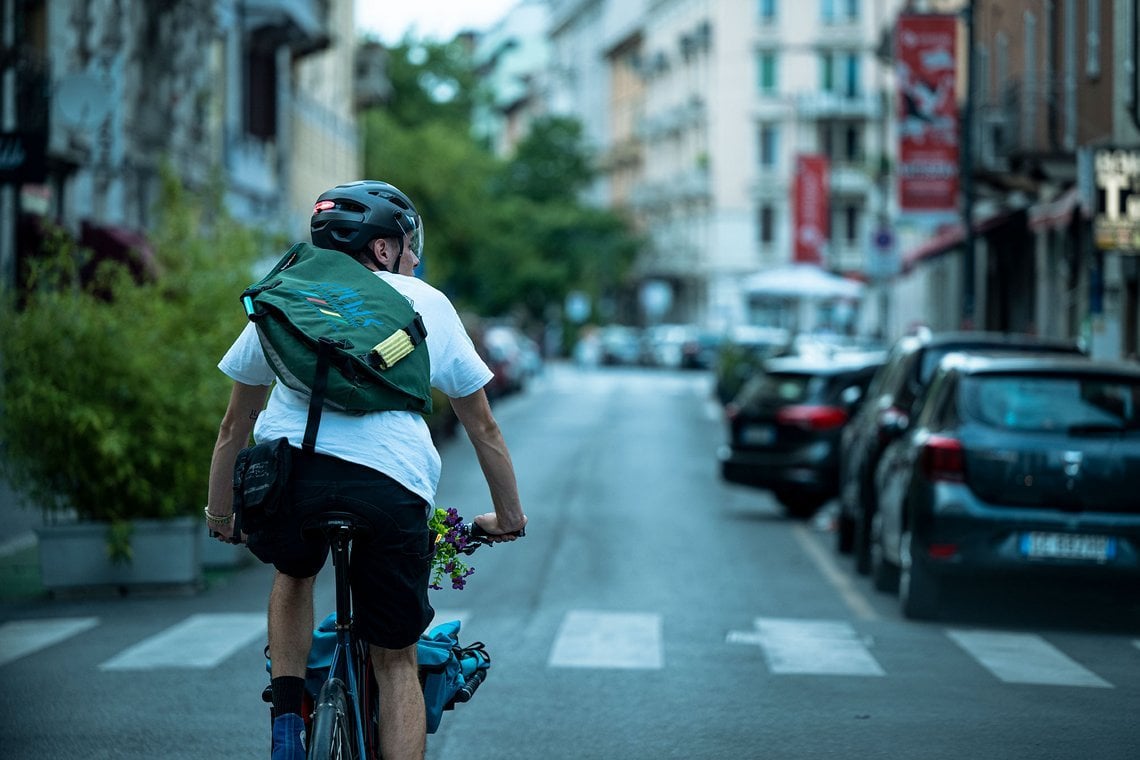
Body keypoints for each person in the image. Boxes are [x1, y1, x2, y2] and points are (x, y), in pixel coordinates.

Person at [205, 180, 528, 760]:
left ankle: (285, 730)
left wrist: (221, 512)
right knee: (396, 658)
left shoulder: (289, 296)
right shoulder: (423, 302)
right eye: (407, 244)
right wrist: (507, 514)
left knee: (294, 575)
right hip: (389, 486)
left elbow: (234, 426)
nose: (411, 255)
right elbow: (483, 426)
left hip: (287, 480)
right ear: (384, 250)